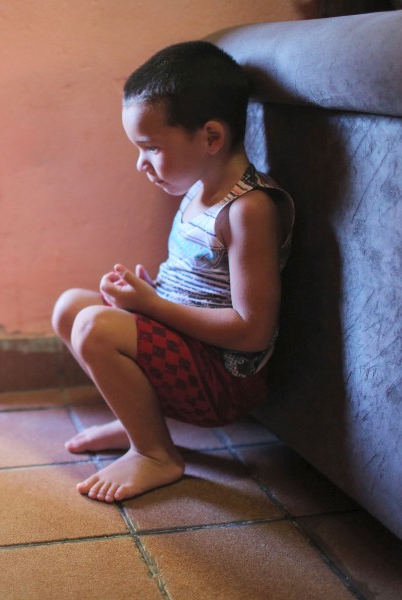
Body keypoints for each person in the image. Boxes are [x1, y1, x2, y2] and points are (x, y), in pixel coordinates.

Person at [52, 41, 294, 504]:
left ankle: (156, 453)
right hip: (189, 353)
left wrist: (152, 306)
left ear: (210, 138)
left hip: (222, 381)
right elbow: (199, 286)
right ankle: (135, 419)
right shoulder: (200, 190)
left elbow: (252, 331)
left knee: (94, 327)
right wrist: (150, 292)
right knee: (71, 308)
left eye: (152, 148)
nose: (141, 163)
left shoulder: (249, 210)